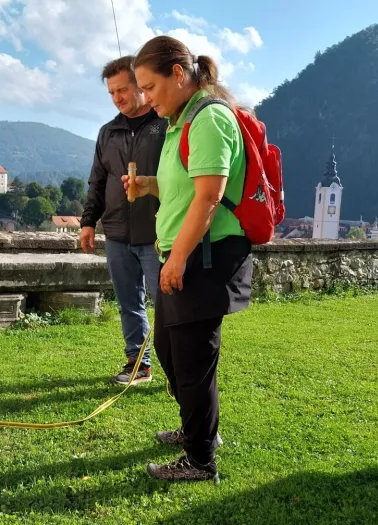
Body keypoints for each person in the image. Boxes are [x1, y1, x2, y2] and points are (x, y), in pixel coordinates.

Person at [124, 36, 254, 482]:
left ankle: (200, 460)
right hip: (184, 257)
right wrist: (148, 186)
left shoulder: (209, 118)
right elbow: (185, 186)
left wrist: (177, 258)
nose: (146, 98)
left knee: (193, 362)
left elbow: (209, 196)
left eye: (150, 87)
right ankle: (199, 431)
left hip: (204, 260)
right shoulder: (181, 121)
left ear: (178, 74)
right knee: (170, 351)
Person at [80, 55, 167, 385]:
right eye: (112, 93)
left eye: (123, 90)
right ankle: (138, 364)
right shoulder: (108, 132)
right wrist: (88, 222)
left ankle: (178, 368)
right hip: (117, 233)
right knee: (129, 305)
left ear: (141, 86)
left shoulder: (165, 125)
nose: (117, 98)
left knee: (168, 307)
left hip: (158, 233)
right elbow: (97, 182)